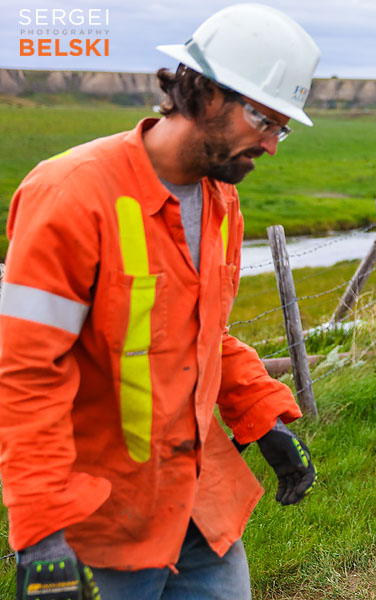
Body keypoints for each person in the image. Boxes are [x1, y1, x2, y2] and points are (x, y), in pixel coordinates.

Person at [0, 4, 321, 599]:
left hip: (200, 508)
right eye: (266, 121)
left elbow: (203, 334)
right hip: (99, 529)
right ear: (205, 93)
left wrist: (261, 417)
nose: (273, 146)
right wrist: (42, 533)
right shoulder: (70, 195)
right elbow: (25, 377)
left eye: (283, 128)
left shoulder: (220, 203)